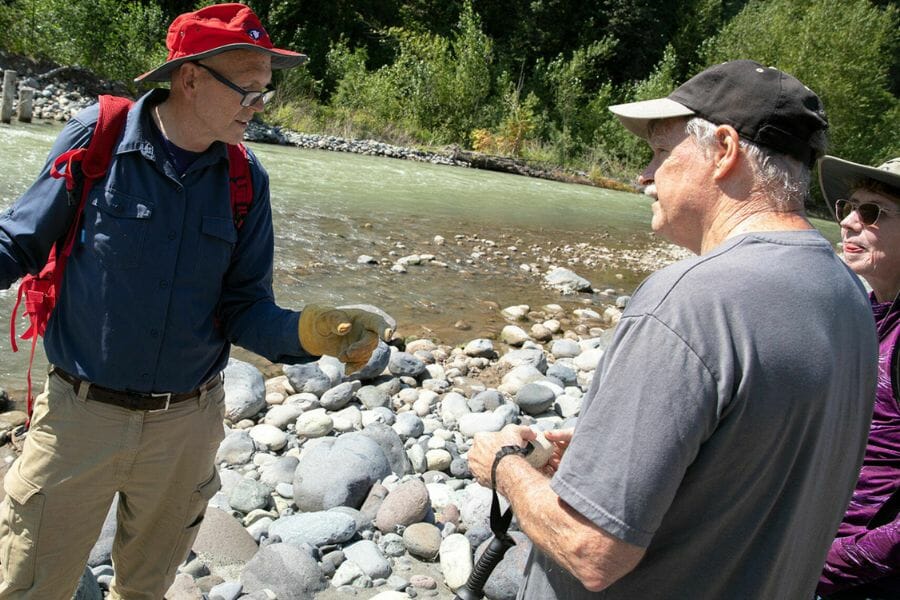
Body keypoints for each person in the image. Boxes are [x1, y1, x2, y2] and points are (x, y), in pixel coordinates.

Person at [0, 4, 390, 598]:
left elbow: (243, 307)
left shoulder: (244, 180)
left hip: (186, 428)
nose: (260, 106)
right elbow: (18, 241)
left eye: (266, 91)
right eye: (248, 90)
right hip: (77, 421)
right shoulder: (98, 138)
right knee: (30, 586)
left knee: (146, 589)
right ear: (189, 78)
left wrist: (309, 335)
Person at [467, 59, 879, 599]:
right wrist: (612, 454)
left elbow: (593, 552)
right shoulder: (847, 294)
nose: (644, 175)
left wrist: (505, 469)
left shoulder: (689, 301)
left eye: (661, 153)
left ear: (725, 151)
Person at [816, 156, 900, 599]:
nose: (848, 221)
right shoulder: (868, 314)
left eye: (872, 212)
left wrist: (823, 564)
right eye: (851, 206)